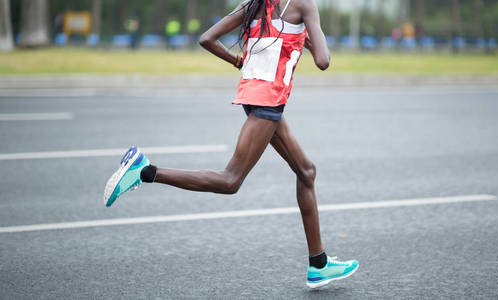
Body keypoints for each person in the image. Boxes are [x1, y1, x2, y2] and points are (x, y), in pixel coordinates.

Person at [104, 0, 358, 288]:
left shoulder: (253, 4)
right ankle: (145, 170)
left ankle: (319, 264)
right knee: (230, 181)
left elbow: (207, 38)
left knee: (306, 172)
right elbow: (324, 61)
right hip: (267, 101)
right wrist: (313, 40)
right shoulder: (304, 4)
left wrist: (239, 61)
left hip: (256, 96)